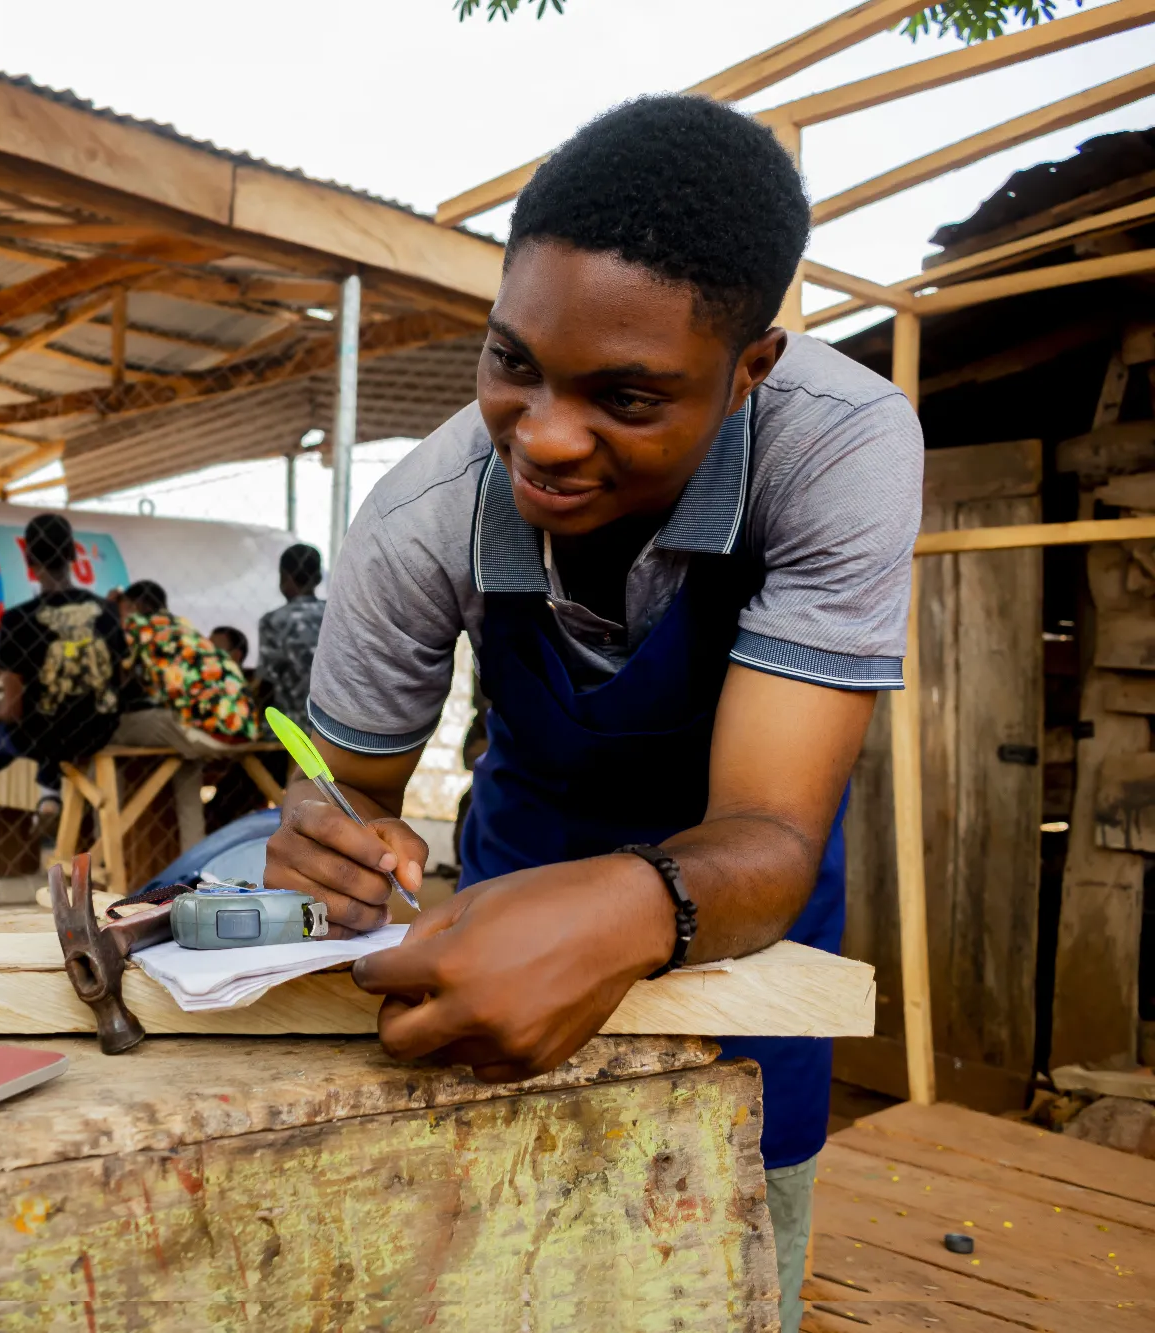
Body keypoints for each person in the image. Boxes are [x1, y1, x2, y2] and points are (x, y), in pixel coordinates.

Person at [267, 96, 920, 1332]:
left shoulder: (839, 452)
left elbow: (767, 835)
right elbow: (345, 790)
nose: (544, 438)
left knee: (726, 1272)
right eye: (512, 362)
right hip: (500, 923)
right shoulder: (421, 518)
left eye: (624, 397)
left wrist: (635, 905)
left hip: (741, 954)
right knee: (498, 1280)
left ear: (748, 374)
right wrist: (323, 832)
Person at [0, 513, 124, 907]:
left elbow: (13, 710)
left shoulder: (16, 620)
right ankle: (49, 790)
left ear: (29, 561)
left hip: (39, 734)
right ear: (72, 554)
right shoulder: (108, 612)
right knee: (61, 712)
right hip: (98, 729)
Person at [112, 580, 257, 850]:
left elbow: (119, 678)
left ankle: (104, 847)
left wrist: (110, 610)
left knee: (110, 731)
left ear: (134, 607)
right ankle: (195, 865)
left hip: (202, 730)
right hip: (240, 731)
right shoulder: (183, 628)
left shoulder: (138, 625)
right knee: (186, 765)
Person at [253, 543, 325, 722]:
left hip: (292, 724)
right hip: (334, 724)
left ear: (284, 577)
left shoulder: (274, 621)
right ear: (317, 578)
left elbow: (266, 682)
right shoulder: (336, 613)